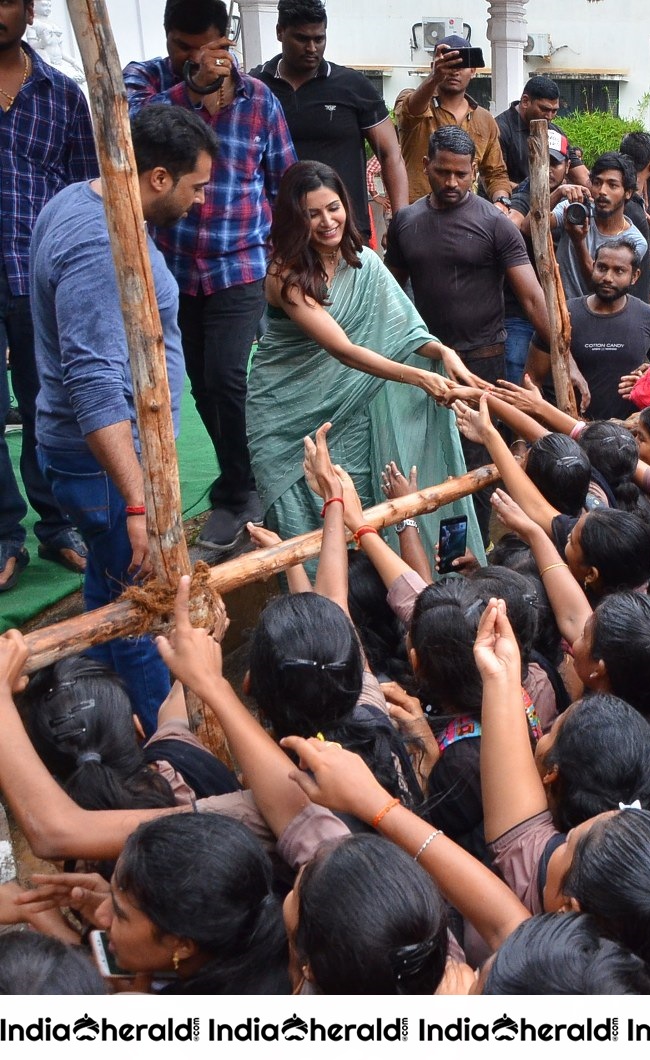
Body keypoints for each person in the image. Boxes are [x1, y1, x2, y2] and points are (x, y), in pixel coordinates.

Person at [31, 105, 217, 730]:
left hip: (101, 465)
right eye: (196, 186)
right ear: (159, 178)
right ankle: (170, 753)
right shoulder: (96, 240)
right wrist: (139, 501)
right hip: (105, 468)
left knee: (111, 590)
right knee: (145, 614)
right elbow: (92, 386)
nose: (199, 201)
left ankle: (89, 703)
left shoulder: (81, 203)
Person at [124, 0, 298, 550]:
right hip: (173, 267)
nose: (187, 60)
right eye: (179, 48)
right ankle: (236, 477)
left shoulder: (261, 101)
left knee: (226, 375)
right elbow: (133, 138)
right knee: (198, 381)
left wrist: (284, 257)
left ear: (225, 43)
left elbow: (283, 180)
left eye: (201, 49)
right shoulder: (160, 94)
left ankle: (240, 492)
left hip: (240, 265)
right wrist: (193, 92)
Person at [246, 160, 483, 560]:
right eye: (312, 213)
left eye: (333, 207)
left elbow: (405, 332)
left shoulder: (364, 262)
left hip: (352, 411)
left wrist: (442, 351)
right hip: (287, 418)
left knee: (363, 506)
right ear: (293, 218)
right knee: (303, 527)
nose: (326, 222)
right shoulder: (284, 275)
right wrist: (419, 378)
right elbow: (343, 349)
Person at [385, 126, 550, 525]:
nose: (453, 182)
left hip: (483, 363)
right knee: (425, 455)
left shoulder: (496, 225)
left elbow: (531, 298)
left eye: (462, 173)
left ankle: (476, 547)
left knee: (478, 458)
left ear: (475, 169)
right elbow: (388, 292)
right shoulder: (406, 223)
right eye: (443, 172)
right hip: (426, 364)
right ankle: (431, 540)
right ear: (426, 166)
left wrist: (565, 357)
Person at [0, 0, 95, 587]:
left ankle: (59, 526)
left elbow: (86, 193)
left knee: (48, 410)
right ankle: (3, 535)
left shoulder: (62, 97)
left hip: (37, 281)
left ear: (30, 10)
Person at [251, 0, 405, 246]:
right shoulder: (256, 88)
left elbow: (390, 154)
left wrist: (399, 222)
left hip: (345, 235)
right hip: (278, 237)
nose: (312, 48)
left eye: (319, 39)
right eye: (301, 39)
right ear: (280, 32)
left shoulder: (353, 86)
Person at [396, 37, 512, 210]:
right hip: (415, 216)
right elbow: (409, 112)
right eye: (448, 65)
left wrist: (502, 202)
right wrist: (434, 78)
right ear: (433, 67)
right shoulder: (412, 100)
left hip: (465, 219)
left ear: (473, 70)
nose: (454, 71)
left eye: (461, 65)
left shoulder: (484, 119)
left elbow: (495, 173)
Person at [565, 238, 650, 422]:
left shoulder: (649, 317)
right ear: (593, 266)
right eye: (602, 268)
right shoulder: (567, 314)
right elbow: (534, 376)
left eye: (619, 271)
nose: (607, 278)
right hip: (573, 429)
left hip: (628, 433)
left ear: (635, 276)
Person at [552, 151, 650, 306]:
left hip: (598, 318)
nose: (602, 191)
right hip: (558, 311)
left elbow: (598, 287)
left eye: (612, 185)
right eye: (597, 183)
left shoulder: (634, 242)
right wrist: (558, 193)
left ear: (628, 193)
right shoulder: (575, 211)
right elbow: (528, 227)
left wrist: (579, 243)